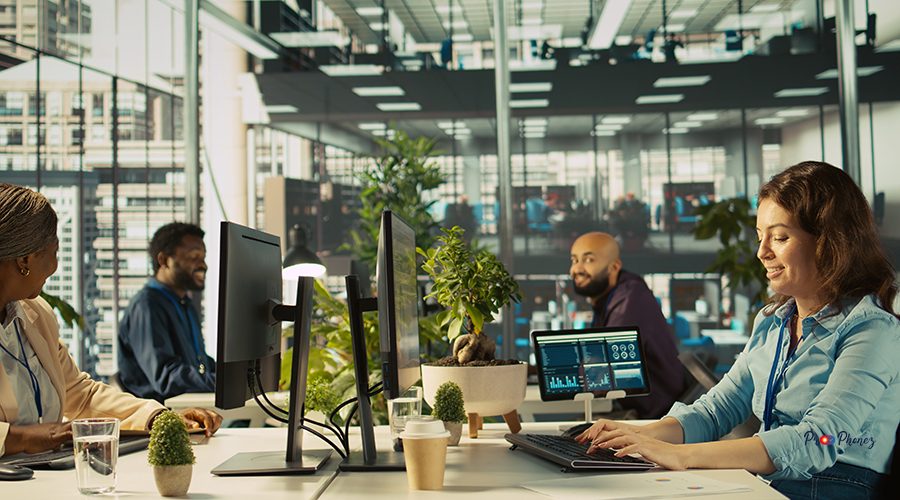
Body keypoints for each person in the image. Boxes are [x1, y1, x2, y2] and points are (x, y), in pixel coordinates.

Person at [575, 162, 898, 498]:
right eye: (761, 237)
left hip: (834, 487)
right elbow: (717, 410)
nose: (762, 252)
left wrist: (680, 456)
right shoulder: (773, 321)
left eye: (780, 237)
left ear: (829, 241)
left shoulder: (872, 330)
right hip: (772, 484)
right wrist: (640, 435)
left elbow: (819, 440)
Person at [0, 183, 221, 457]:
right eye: (54, 251)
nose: (55, 267)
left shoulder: (36, 315)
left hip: (44, 473)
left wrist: (156, 416)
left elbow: (82, 394)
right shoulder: (149, 304)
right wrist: (20, 437)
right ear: (24, 259)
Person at [569, 232, 684, 418]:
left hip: (651, 415)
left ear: (614, 266)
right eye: (574, 260)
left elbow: (599, 371)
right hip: (627, 406)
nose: (577, 269)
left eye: (588, 260)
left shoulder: (630, 300)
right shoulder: (606, 300)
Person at [118, 222, 216, 402]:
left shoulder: (184, 304)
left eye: (203, 257)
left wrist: (237, 376)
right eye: (194, 256)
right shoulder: (147, 306)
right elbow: (167, 378)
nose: (203, 265)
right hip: (161, 420)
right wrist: (222, 383)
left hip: (191, 410)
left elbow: (198, 363)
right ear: (163, 260)